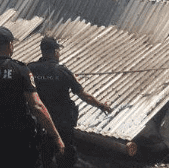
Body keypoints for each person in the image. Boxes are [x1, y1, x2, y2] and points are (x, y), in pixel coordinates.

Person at [0, 27, 64, 168]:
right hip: (21, 140)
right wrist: (56, 136)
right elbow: (37, 106)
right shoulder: (20, 70)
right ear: (10, 44)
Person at [28, 37, 112, 168]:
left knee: (44, 158)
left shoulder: (29, 69)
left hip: (40, 122)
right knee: (66, 158)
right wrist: (101, 105)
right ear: (56, 51)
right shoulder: (63, 71)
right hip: (62, 123)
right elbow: (84, 96)